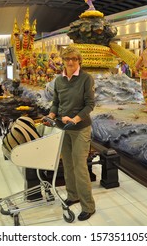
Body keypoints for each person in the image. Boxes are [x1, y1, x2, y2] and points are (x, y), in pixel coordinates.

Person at [43, 45, 96, 221]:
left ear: (79, 60)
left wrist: (76, 119)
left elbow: (90, 104)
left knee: (80, 166)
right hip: (62, 127)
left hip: (80, 129)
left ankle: (88, 205)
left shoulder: (86, 79)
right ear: (63, 61)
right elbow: (56, 102)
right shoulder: (59, 81)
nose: (71, 62)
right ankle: (73, 195)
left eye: (74, 59)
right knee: (67, 164)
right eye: (67, 59)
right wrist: (51, 114)